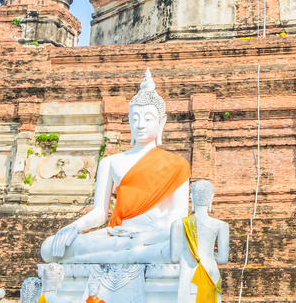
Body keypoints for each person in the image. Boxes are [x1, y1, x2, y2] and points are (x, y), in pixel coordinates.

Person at [41, 69, 189, 265]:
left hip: (150, 235)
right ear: (128, 120)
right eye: (135, 118)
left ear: (161, 122)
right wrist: (74, 227)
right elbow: (100, 213)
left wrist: (144, 231)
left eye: (148, 119)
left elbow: (179, 213)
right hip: (116, 234)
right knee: (49, 248)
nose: (140, 125)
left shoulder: (178, 164)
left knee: (177, 243)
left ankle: (109, 255)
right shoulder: (110, 162)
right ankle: (117, 254)